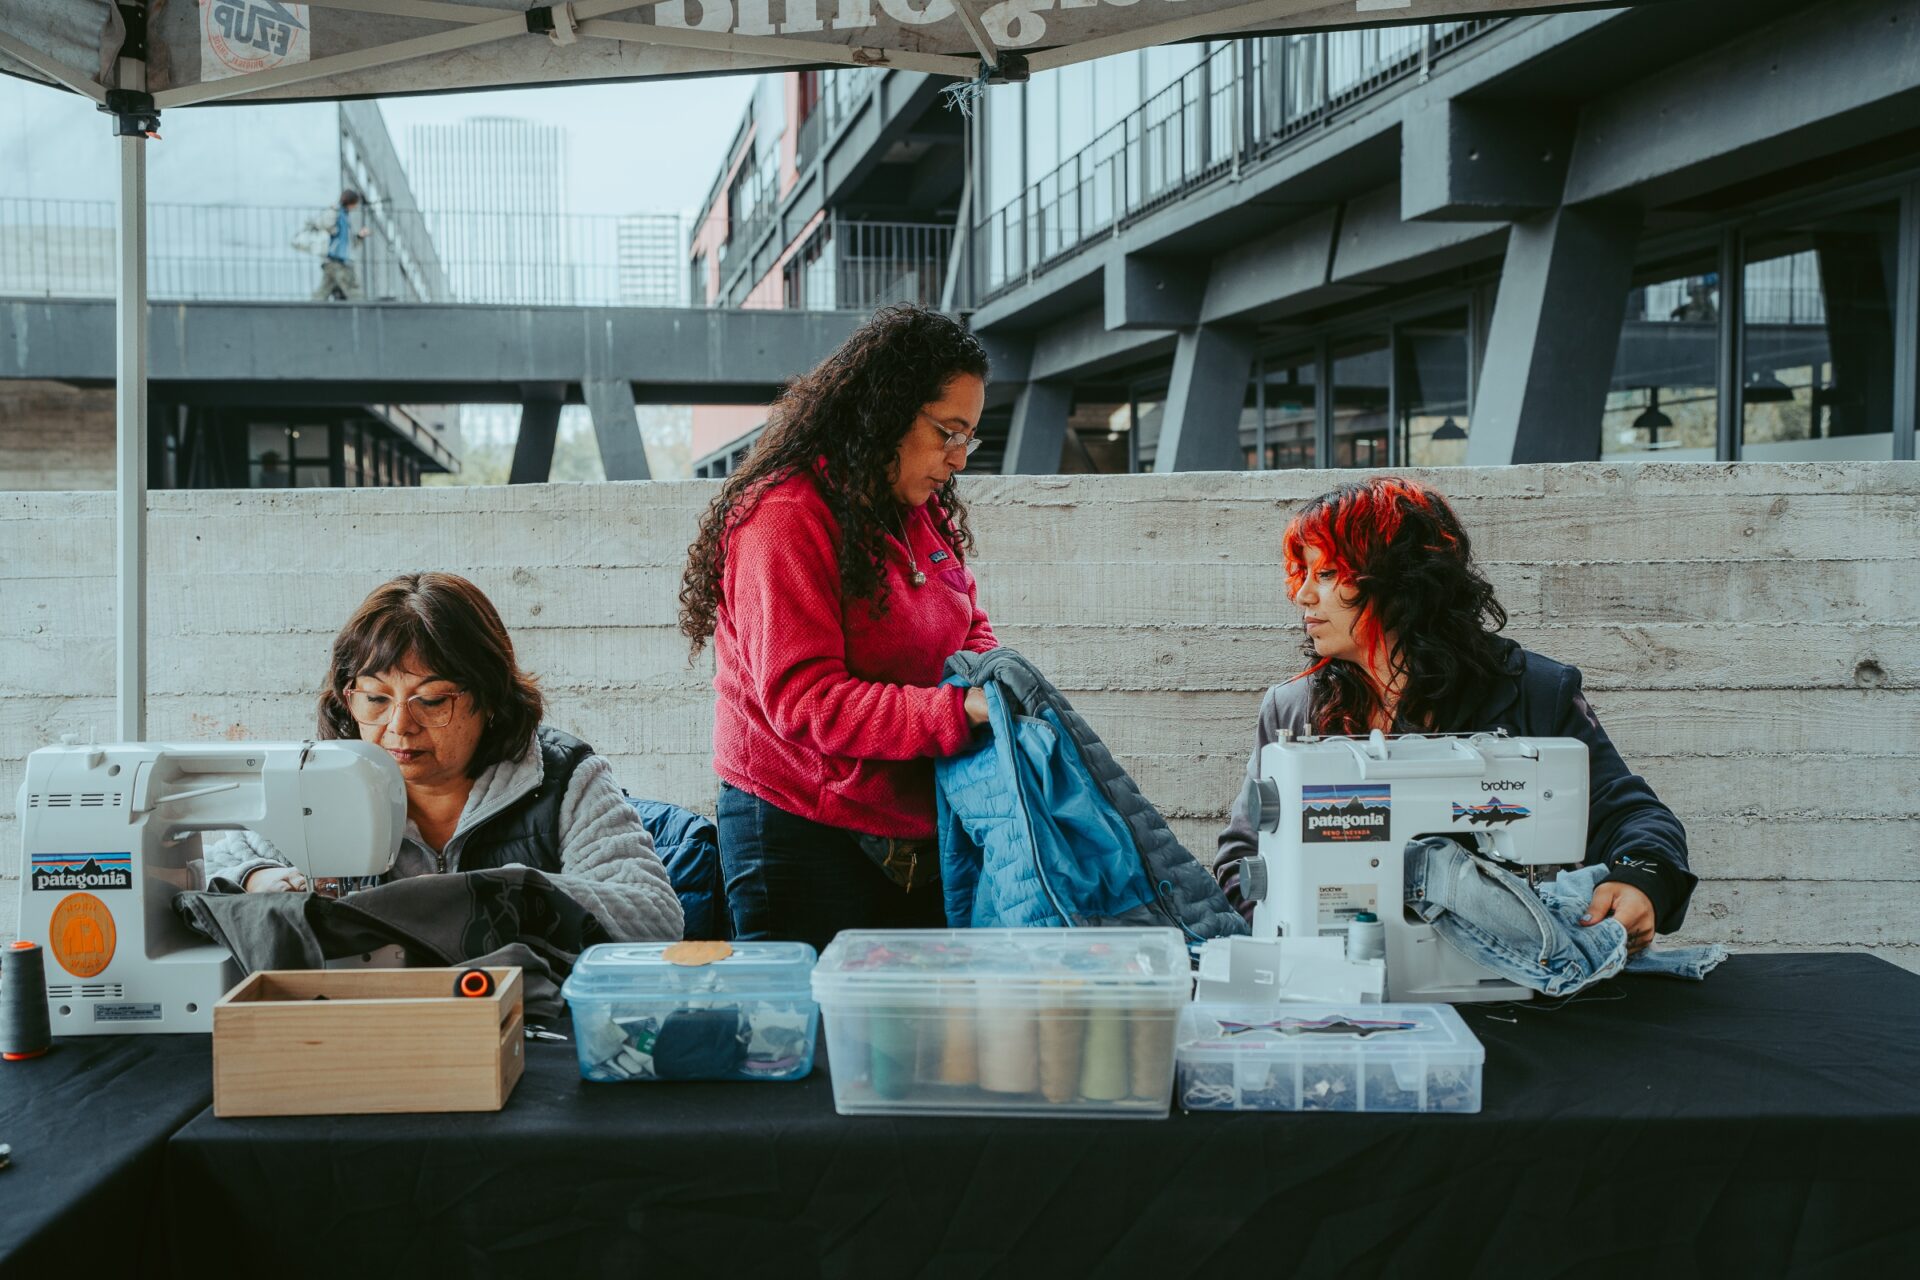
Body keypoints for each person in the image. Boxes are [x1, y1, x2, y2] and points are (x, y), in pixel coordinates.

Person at [1214, 476, 1696, 953]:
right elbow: (1243, 859)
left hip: (1505, 974)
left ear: (1398, 580)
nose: (1301, 595)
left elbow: (1629, 814)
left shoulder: (1532, 692)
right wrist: (1298, 936)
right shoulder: (1293, 709)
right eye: (1304, 574)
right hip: (1345, 977)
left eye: (1326, 574)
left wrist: (1643, 879)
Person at [678, 304, 998, 952]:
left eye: (971, 437)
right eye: (947, 433)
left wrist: (989, 675)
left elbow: (969, 618)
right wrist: (958, 712)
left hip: (913, 823)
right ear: (886, 411)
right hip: (798, 834)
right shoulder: (782, 517)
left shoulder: (918, 507)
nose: (959, 458)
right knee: (817, 1046)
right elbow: (805, 699)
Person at [206, 572, 683, 942]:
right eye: (374, 699)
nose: (398, 727)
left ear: (491, 698)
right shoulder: (314, 781)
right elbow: (196, 878)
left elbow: (652, 915)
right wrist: (255, 879)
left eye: (431, 701)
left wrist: (487, 897)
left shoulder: (566, 780)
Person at [312, 188, 369, 302]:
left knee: (323, 291)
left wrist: (359, 237)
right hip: (338, 260)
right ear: (351, 203)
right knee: (353, 290)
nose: (356, 207)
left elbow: (347, 240)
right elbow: (342, 239)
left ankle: (310, 313)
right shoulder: (338, 214)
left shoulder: (342, 216)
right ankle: (363, 313)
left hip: (331, 260)